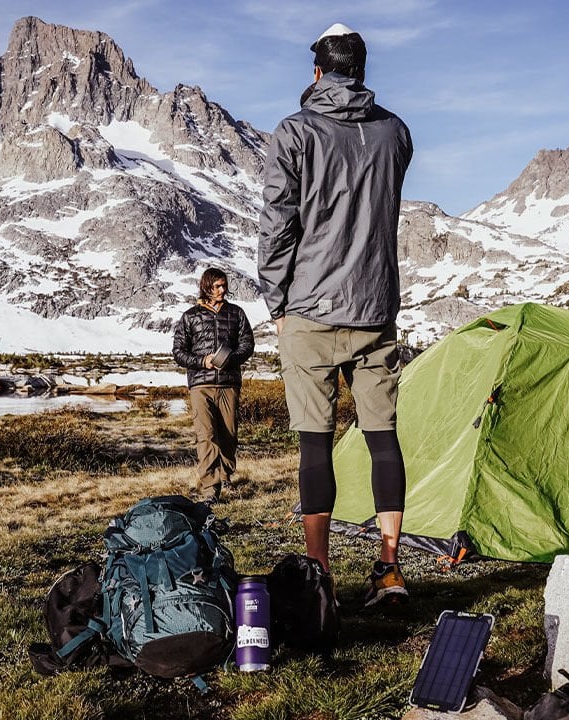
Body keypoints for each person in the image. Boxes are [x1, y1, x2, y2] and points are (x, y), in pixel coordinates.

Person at [257, 23, 414, 607]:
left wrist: (277, 300)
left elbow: (280, 223)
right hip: (375, 306)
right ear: (363, 70)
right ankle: (390, 567)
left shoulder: (295, 132)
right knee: (382, 439)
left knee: (315, 444)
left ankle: (319, 576)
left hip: (310, 308)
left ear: (317, 71)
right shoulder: (395, 132)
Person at [172, 267, 254, 504]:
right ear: (206, 286)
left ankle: (226, 474)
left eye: (224, 285)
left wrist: (231, 358)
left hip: (229, 383)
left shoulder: (236, 313)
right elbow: (178, 352)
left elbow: (247, 344)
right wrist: (202, 361)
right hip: (200, 385)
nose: (222, 289)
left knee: (228, 435)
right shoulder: (190, 316)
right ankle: (210, 487)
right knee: (205, 435)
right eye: (217, 286)